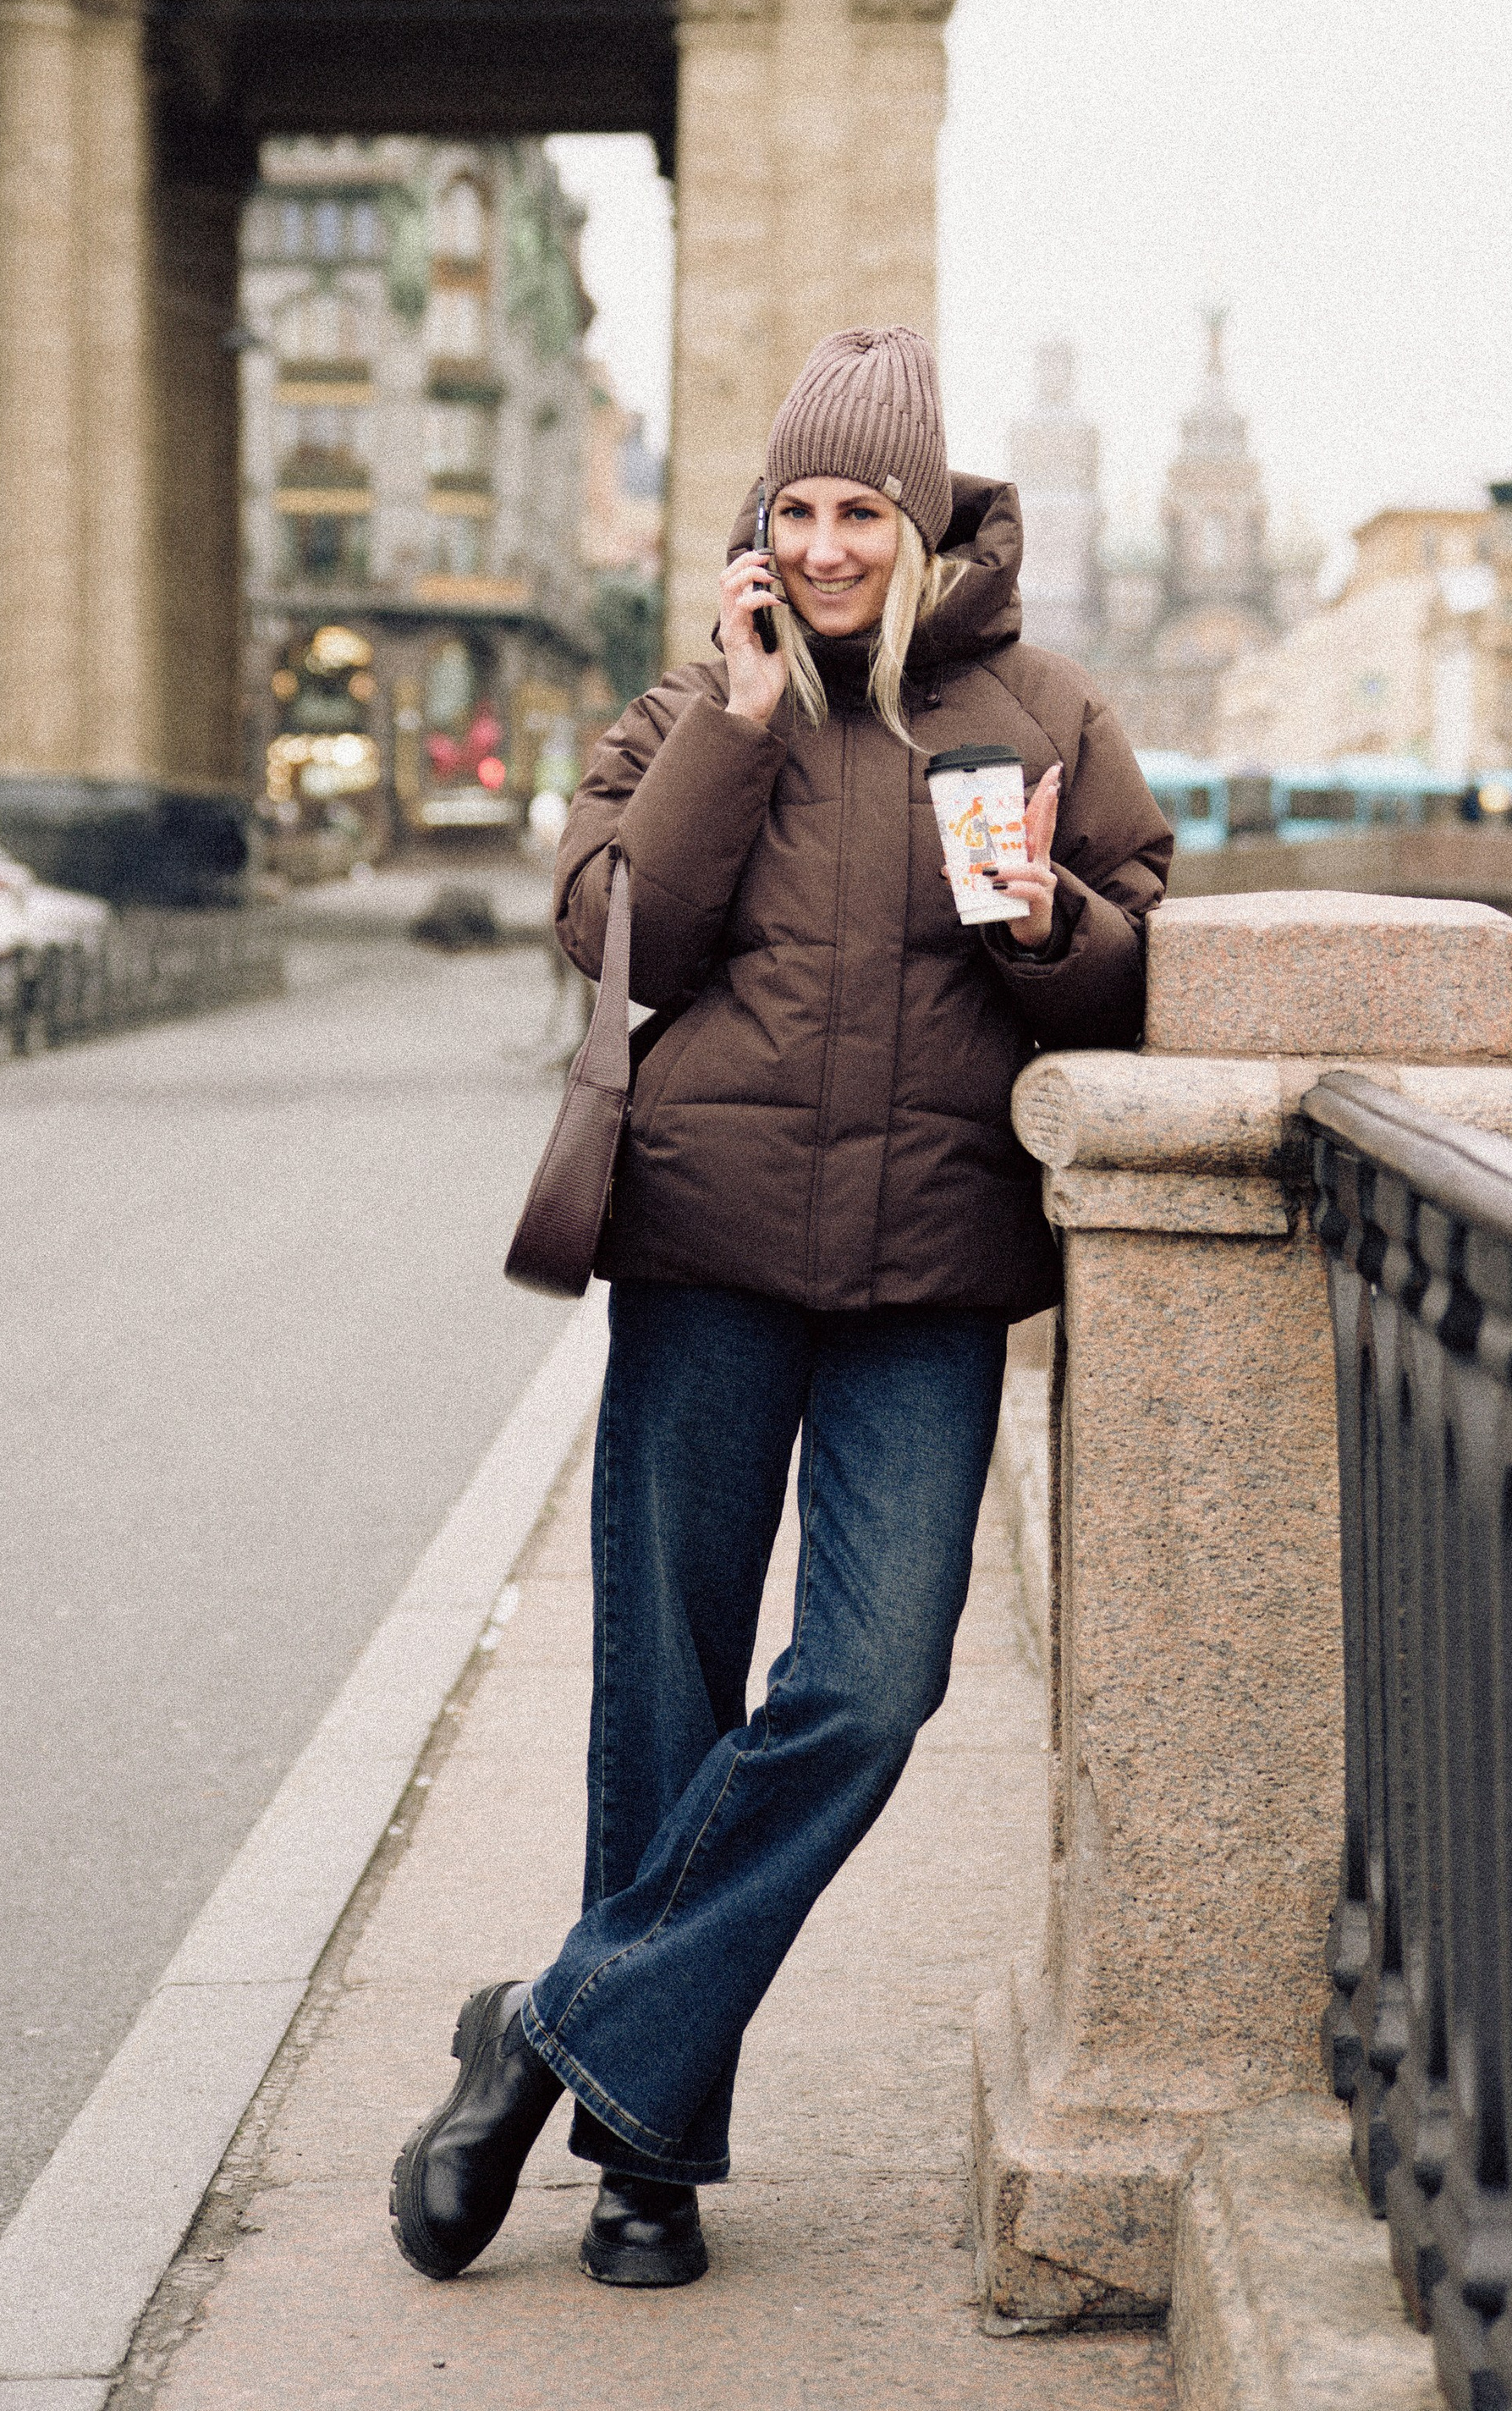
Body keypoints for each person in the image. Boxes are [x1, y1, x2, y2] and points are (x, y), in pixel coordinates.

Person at [389, 325, 1171, 2293]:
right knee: (666, 1697)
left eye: (861, 511)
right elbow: (611, 933)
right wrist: (735, 729)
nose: (826, 546)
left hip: (930, 1272)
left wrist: (1048, 924)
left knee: (866, 1688)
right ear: (762, 531)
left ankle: (543, 2033)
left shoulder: (1044, 709)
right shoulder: (685, 707)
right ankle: (648, 2160)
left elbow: (1139, 964)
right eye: (796, 511)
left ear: (924, 524)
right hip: (707, 1252)